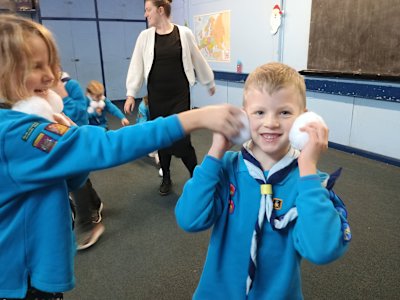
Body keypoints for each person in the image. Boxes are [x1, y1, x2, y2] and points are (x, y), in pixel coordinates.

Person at [0, 14, 244, 299]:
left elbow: (75, 174)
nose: (51, 77)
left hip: (32, 271)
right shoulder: (15, 133)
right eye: (36, 66)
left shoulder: (24, 125)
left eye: (50, 64)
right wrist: (194, 118)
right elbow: (107, 146)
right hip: (21, 281)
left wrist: (67, 139)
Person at [175, 62, 351, 299]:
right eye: (259, 112)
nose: (271, 123)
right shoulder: (226, 167)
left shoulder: (311, 182)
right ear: (244, 116)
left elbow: (321, 250)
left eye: (285, 112)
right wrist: (215, 151)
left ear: (304, 119)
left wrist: (308, 169)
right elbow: (189, 219)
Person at [124, 0, 216, 196]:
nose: (145, 14)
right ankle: (166, 177)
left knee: (182, 138)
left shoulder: (184, 34)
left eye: (148, 10)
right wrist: (131, 93)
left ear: (160, 10)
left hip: (179, 96)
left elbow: (197, 58)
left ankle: (196, 176)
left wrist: (209, 81)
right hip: (157, 96)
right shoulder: (145, 37)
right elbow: (137, 65)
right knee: (162, 137)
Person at [52, 72, 105, 250]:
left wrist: (63, 95)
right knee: (78, 179)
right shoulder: (41, 90)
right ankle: (96, 203)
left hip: (76, 140)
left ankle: (88, 226)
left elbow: (80, 115)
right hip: (57, 142)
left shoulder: (70, 86)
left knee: (75, 179)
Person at [136, 95, 162, 176]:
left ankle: (159, 158)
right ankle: (157, 157)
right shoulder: (143, 106)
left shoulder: (160, 104)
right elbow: (142, 124)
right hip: (144, 125)